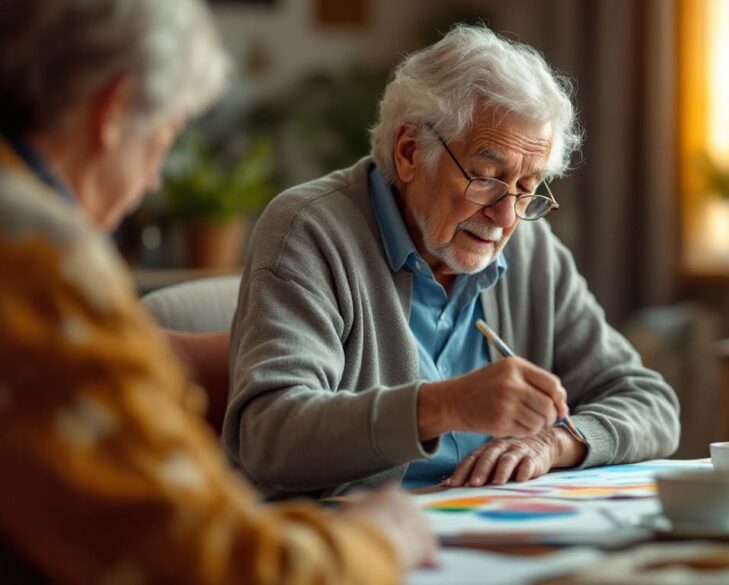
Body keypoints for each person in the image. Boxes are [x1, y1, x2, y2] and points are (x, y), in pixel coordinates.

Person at [0, 1, 435, 583]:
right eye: (164, 138)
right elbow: (210, 562)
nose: (153, 180)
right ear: (113, 110)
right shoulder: (40, 260)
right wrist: (377, 540)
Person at [226, 24, 681, 499]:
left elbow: (650, 401)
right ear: (409, 152)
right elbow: (268, 434)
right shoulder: (309, 231)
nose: (506, 216)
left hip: (491, 533)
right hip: (350, 543)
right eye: (486, 178)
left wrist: (556, 442)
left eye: (527, 189)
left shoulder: (531, 250)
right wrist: (443, 407)